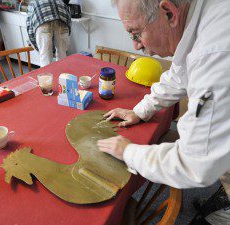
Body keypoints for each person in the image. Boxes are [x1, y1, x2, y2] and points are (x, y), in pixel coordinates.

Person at [97, 0, 230, 223]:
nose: (136, 46)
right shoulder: (201, 19)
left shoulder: (214, 55)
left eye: (135, 33)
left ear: (168, 12)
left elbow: (194, 162)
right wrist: (140, 110)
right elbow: (179, 74)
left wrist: (128, 152)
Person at [26, 0, 71, 67]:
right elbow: (68, 20)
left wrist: (32, 42)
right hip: (62, 21)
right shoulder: (59, 1)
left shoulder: (33, 3)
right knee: (62, 54)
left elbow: (29, 26)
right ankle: (62, 75)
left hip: (43, 22)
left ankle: (48, 76)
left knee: (45, 56)